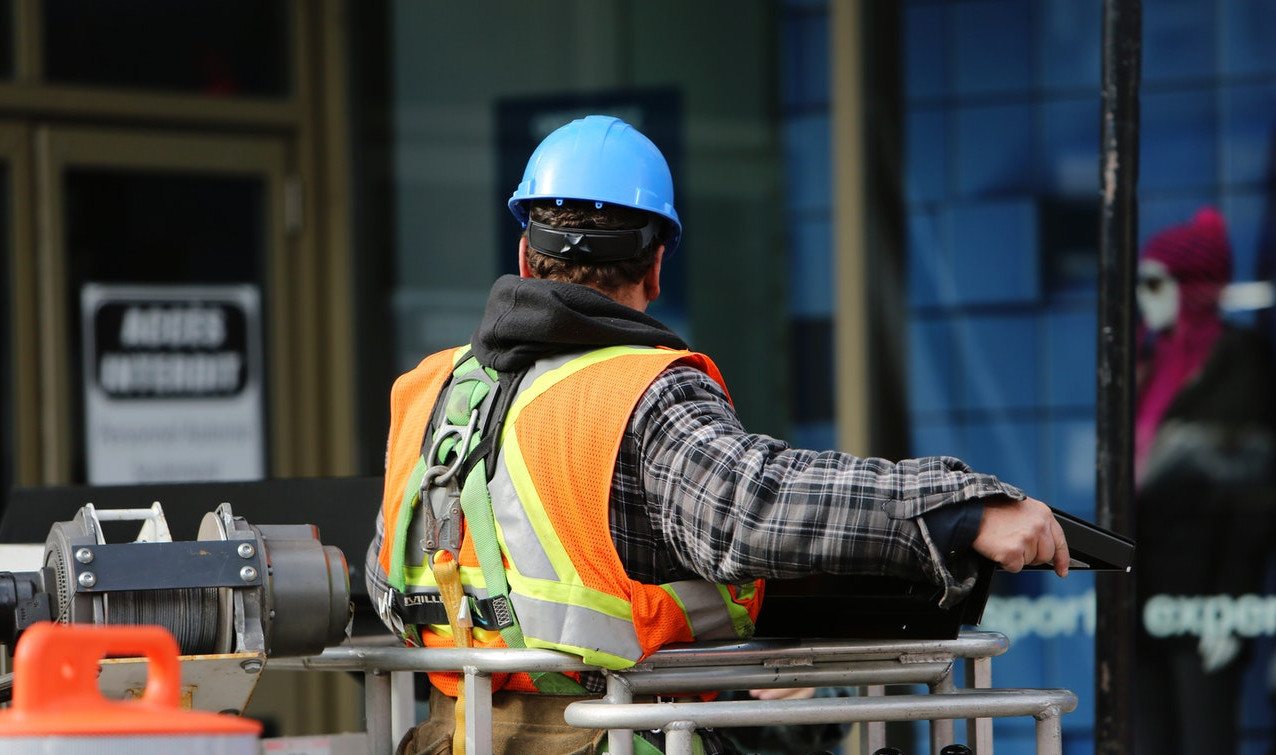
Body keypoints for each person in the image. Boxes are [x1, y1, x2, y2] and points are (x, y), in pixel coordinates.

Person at [365, 114, 1069, 755]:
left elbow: (386, 575)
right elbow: (749, 507)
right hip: (611, 738)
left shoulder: (430, 392)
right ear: (658, 265)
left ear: (525, 256)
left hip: (459, 737)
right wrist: (960, 508)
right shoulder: (638, 391)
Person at [1131, 208, 1276, 755]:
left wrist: (1231, 606)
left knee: (1204, 739)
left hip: (1205, 595)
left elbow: (1251, 500)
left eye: (1154, 282)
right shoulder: (1147, 365)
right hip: (1144, 591)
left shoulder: (1238, 362)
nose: (1144, 297)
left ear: (1191, 286)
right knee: (1149, 738)